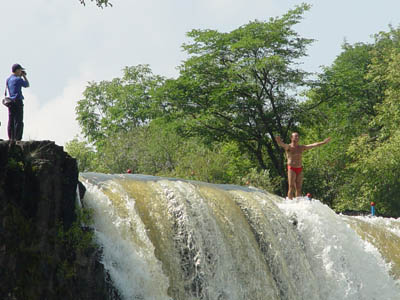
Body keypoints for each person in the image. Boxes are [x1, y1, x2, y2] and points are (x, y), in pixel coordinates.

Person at [275, 132, 331, 199]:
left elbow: (313, 145)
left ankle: (298, 204)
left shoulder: (301, 147)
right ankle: (289, 202)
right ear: (291, 138)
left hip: (299, 168)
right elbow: (282, 144)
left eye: (298, 136)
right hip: (291, 168)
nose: (297, 137)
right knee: (291, 187)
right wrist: (279, 141)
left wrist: (323, 142)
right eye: (295, 136)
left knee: (298, 188)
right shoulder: (289, 147)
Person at [6, 63, 29, 141]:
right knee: (18, 120)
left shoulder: (8, 79)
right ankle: (17, 138)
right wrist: (24, 76)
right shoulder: (18, 79)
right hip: (17, 101)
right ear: (17, 70)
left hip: (10, 102)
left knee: (11, 120)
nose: (21, 71)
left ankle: (11, 138)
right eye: (20, 70)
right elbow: (27, 84)